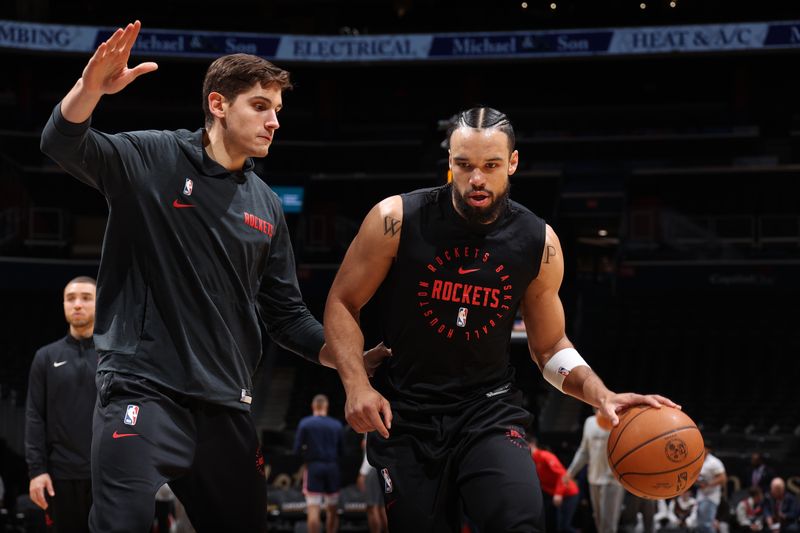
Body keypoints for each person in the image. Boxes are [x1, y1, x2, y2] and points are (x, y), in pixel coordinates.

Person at [39, 20, 386, 533]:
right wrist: (90, 89)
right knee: (121, 523)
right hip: (142, 393)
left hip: (226, 405)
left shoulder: (267, 205)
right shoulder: (154, 157)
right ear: (219, 105)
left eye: (277, 111)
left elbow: (287, 316)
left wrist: (347, 357)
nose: (274, 122)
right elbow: (62, 143)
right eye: (261, 107)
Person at [322, 106, 677, 531]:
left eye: (490, 165)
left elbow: (549, 347)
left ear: (512, 163)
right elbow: (343, 301)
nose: (476, 179)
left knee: (520, 522)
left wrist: (602, 395)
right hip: (406, 415)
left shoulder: (537, 241)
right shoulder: (395, 219)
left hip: (488, 411)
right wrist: (356, 385)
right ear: (449, 164)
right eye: (464, 165)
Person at [25, 276, 98, 533]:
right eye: (70, 298)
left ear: (100, 303)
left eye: (86, 298)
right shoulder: (46, 357)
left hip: (107, 474)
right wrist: (36, 471)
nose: (77, 304)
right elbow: (35, 416)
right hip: (60, 477)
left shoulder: (115, 356)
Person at [565, 408, 626, 533]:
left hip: (612, 481)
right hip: (593, 479)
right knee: (598, 522)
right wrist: (570, 472)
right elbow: (584, 451)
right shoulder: (589, 422)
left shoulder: (620, 421)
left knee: (608, 526)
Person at [293, 394, 344, 533]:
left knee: (313, 509)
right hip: (332, 467)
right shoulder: (337, 425)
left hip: (314, 467)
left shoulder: (305, 423)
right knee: (332, 509)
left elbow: (296, 450)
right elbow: (342, 451)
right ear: (326, 406)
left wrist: (306, 455)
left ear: (313, 406)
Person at [528, 436, 579, 533]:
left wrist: (558, 493)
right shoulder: (531, 460)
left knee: (564, 526)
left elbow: (562, 474)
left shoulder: (545, 456)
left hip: (568, 493)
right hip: (553, 494)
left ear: (531, 444)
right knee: (557, 526)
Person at [357, 436, 388, 533]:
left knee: (372, 507)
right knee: (382, 507)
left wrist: (362, 473)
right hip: (384, 466)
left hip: (371, 469)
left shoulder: (371, 425)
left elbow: (370, 452)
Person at [695, 442, 728, 533]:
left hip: (711, 496)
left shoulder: (714, 462)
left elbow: (723, 478)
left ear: (708, 449)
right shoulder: (698, 460)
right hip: (701, 494)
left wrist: (708, 484)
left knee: (707, 524)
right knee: (700, 524)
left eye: (703, 448)